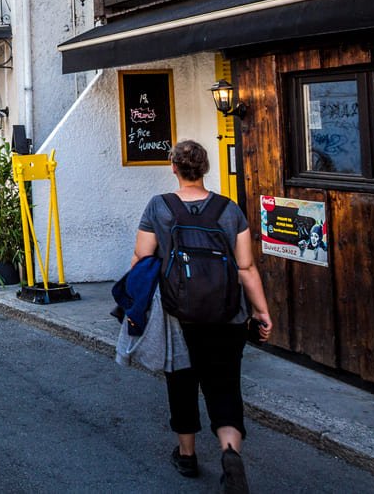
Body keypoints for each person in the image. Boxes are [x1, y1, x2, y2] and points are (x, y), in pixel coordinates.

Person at [133, 140, 271, 492]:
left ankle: (187, 454)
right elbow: (246, 267)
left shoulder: (159, 208)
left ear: (174, 168)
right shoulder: (229, 210)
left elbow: (142, 259)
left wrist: (135, 304)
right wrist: (261, 311)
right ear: (205, 169)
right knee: (224, 386)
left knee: (181, 382)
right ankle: (230, 452)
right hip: (228, 316)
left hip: (178, 316)